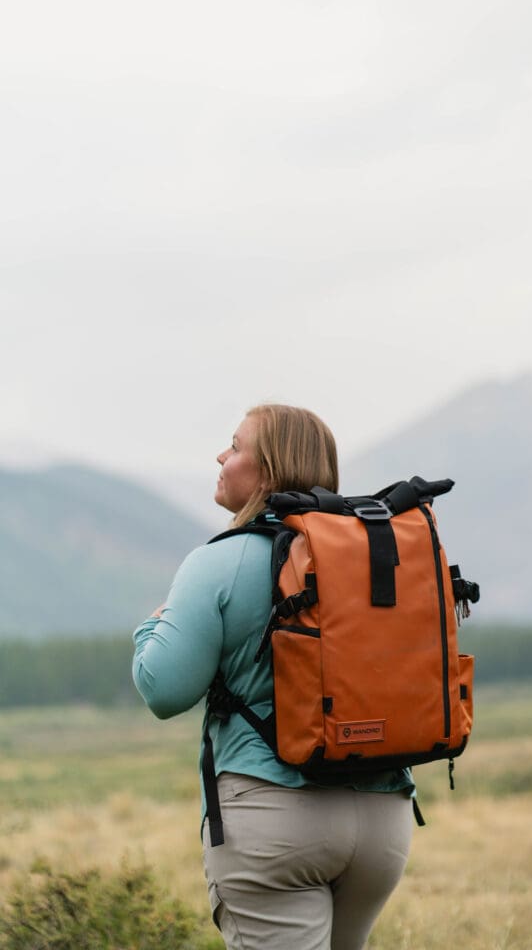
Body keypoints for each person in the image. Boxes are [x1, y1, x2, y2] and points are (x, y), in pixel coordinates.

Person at [132, 404, 414, 950]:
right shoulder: (376, 553)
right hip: (383, 818)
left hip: (273, 818)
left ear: (267, 471)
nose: (220, 455)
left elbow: (163, 689)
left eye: (234, 446)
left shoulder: (217, 562)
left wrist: (152, 624)